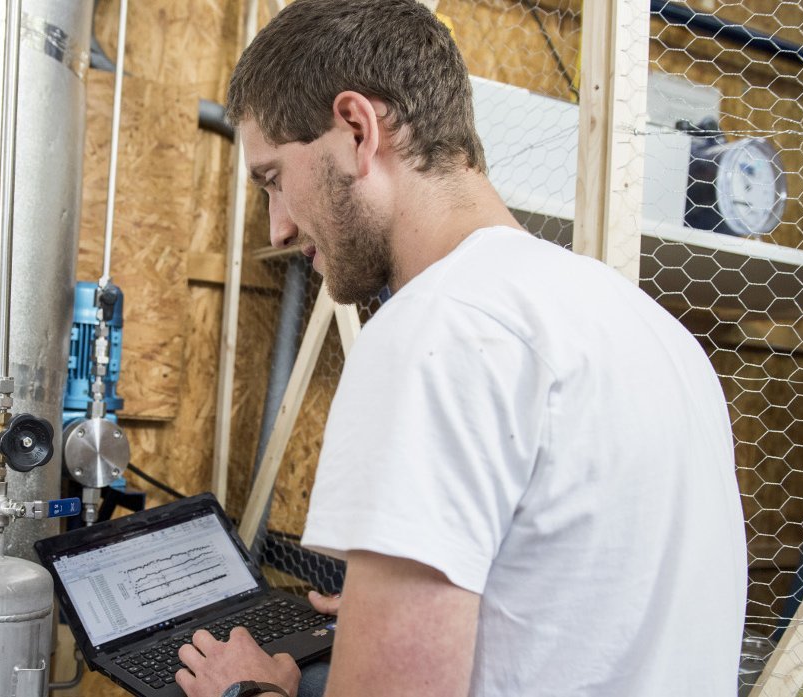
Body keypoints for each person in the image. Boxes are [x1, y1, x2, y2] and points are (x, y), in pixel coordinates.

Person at [174, 1, 747, 696]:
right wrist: (404, 619)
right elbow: (588, 610)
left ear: (358, 130)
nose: (281, 226)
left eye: (272, 179)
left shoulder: (432, 331)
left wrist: (250, 690)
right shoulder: (648, 326)